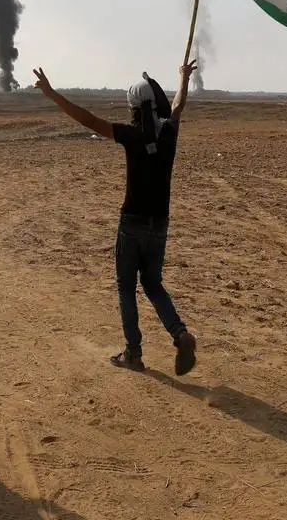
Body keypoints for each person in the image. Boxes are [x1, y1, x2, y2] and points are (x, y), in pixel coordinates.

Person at [33, 60, 199, 375]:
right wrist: (183, 78)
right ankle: (180, 333)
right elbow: (177, 107)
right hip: (159, 224)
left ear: (133, 109)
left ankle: (133, 353)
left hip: (132, 223)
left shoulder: (130, 135)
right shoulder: (170, 132)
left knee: (126, 287)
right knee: (153, 285)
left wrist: (52, 94)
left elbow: (87, 119)